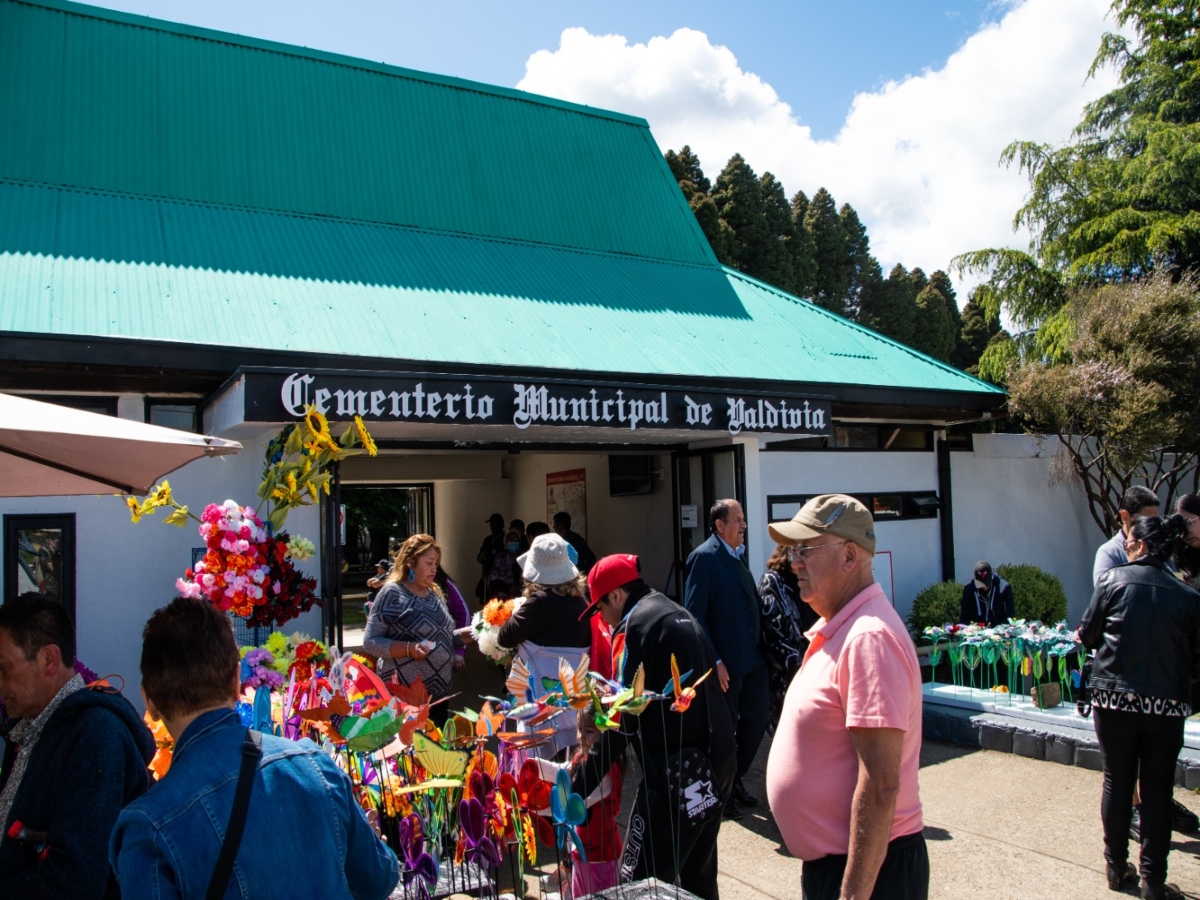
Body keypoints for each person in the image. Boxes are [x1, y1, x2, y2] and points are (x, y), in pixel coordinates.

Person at [111, 597, 398, 899]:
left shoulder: (147, 828)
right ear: (237, 680)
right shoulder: (317, 767)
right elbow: (379, 880)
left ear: (149, 702)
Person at [766, 495, 928, 900]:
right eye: (792, 551)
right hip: (847, 865)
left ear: (850, 557)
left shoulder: (868, 638)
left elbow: (881, 784)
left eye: (804, 550)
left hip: (871, 872)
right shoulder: (844, 628)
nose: (793, 562)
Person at [574, 554, 735, 900]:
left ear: (615, 595)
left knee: (638, 882)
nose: (601, 618)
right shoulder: (677, 612)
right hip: (716, 762)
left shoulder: (635, 627)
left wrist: (577, 786)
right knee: (698, 877)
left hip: (677, 772)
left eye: (599, 608)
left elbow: (621, 720)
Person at [0, 596, 154, 898]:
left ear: (48, 659)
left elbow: (75, 880)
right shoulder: (33, 726)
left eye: (3, 668)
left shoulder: (96, 733)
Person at [1081, 515, 1200, 900]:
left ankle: (1116, 867)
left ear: (1142, 546)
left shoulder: (1112, 582)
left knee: (1117, 781)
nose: (1127, 548)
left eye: (1130, 542)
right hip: (1165, 705)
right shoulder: (1187, 596)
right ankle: (1153, 881)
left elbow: (1088, 634)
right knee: (1157, 789)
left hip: (1113, 700)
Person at [683, 498, 767, 819]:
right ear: (719, 525)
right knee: (725, 731)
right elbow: (695, 617)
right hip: (725, 666)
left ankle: (735, 778)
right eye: (738, 519)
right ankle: (723, 792)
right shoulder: (703, 558)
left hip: (752, 661)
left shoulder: (737, 555)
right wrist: (715, 661)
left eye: (744, 519)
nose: (744, 525)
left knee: (757, 720)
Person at [497, 533, 591, 755]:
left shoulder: (539, 603)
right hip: (573, 703)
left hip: (541, 704)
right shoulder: (582, 602)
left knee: (540, 769)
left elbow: (504, 637)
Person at [363, 534, 457, 725]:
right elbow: (371, 641)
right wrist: (409, 649)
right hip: (403, 700)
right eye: (429, 562)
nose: (434, 569)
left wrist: (467, 636)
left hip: (438, 699)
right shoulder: (392, 594)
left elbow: (440, 638)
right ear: (410, 563)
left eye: (436, 563)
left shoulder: (434, 594)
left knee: (434, 753)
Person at [757, 544, 819, 730]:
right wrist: (798, 666)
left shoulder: (806, 579)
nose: (800, 557)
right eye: (795, 551)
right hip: (788, 675)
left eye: (804, 551)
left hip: (813, 669)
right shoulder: (772, 581)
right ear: (784, 552)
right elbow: (771, 632)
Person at [1094, 486, 1160, 586]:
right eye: (1146, 520)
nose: (1152, 526)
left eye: (1155, 520)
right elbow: (1105, 594)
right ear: (1125, 516)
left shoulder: (1160, 548)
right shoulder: (1110, 553)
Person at [434, 566, 471, 672]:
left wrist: (459, 650)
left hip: (440, 662)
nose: (432, 569)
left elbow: (463, 613)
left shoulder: (444, 584)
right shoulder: (395, 590)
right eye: (428, 562)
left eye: (434, 562)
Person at [958, 561, 1014, 627]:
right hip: (976, 631)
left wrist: (1000, 628)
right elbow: (964, 617)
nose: (984, 587)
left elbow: (1010, 615)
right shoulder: (969, 590)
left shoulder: (1003, 588)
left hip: (999, 630)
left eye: (986, 583)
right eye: (981, 584)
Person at [476, 512, 507, 601]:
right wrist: (482, 556)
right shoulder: (488, 540)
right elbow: (478, 558)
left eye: (494, 524)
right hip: (486, 576)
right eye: (490, 524)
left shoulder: (504, 539)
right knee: (486, 602)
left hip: (500, 579)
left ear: (501, 525)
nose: (492, 527)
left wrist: (491, 556)